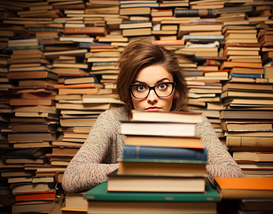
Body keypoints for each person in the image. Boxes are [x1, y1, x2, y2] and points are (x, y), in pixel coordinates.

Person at [62, 38, 244, 193]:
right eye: (140, 88)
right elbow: (72, 176)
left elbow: (234, 174)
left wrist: (179, 169)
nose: (152, 98)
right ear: (128, 92)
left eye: (162, 86)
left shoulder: (196, 125)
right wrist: (138, 169)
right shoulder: (111, 121)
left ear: (176, 90)